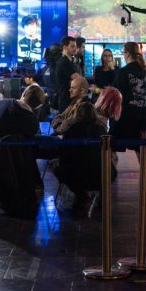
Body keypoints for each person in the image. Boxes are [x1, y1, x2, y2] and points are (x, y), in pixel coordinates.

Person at [53, 75, 105, 212]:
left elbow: (62, 127)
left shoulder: (83, 108)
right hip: (95, 169)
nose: (69, 90)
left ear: (82, 91)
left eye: (73, 88)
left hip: (79, 168)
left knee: (55, 164)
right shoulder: (73, 104)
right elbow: (58, 119)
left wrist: (60, 125)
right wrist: (60, 124)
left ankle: (81, 194)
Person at [0, 85, 46, 164]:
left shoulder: (3, 103)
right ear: (38, 106)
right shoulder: (34, 124)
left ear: (24, 94)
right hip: (9, 162)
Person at [111, 41, 146, 143]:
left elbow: (116, 95)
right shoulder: (145, 71)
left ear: (128, 54)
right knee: (142, 149)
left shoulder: (123, 72)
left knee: (113, 144)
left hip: (127, 119)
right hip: (145, 117)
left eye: (123, 52)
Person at [54, 36, 80, 111]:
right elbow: (79, 80)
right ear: (65, 47)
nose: (75, 48)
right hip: (66, 102)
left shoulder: (69, 62)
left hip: (69, 101)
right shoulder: (64, 62)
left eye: (75, 46)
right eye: (72, 46)